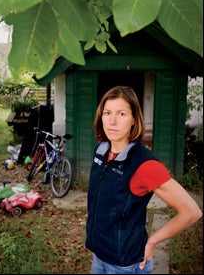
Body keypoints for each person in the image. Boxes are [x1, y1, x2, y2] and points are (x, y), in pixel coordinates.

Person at [85, 85, 202, 274]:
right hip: (99, 256)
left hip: (125, 265)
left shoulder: (145, 165)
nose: (112, 121)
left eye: (121, 114)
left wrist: (154, 240)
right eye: (107, 113)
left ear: (133, 120)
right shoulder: (101, 151)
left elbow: (191, 212)